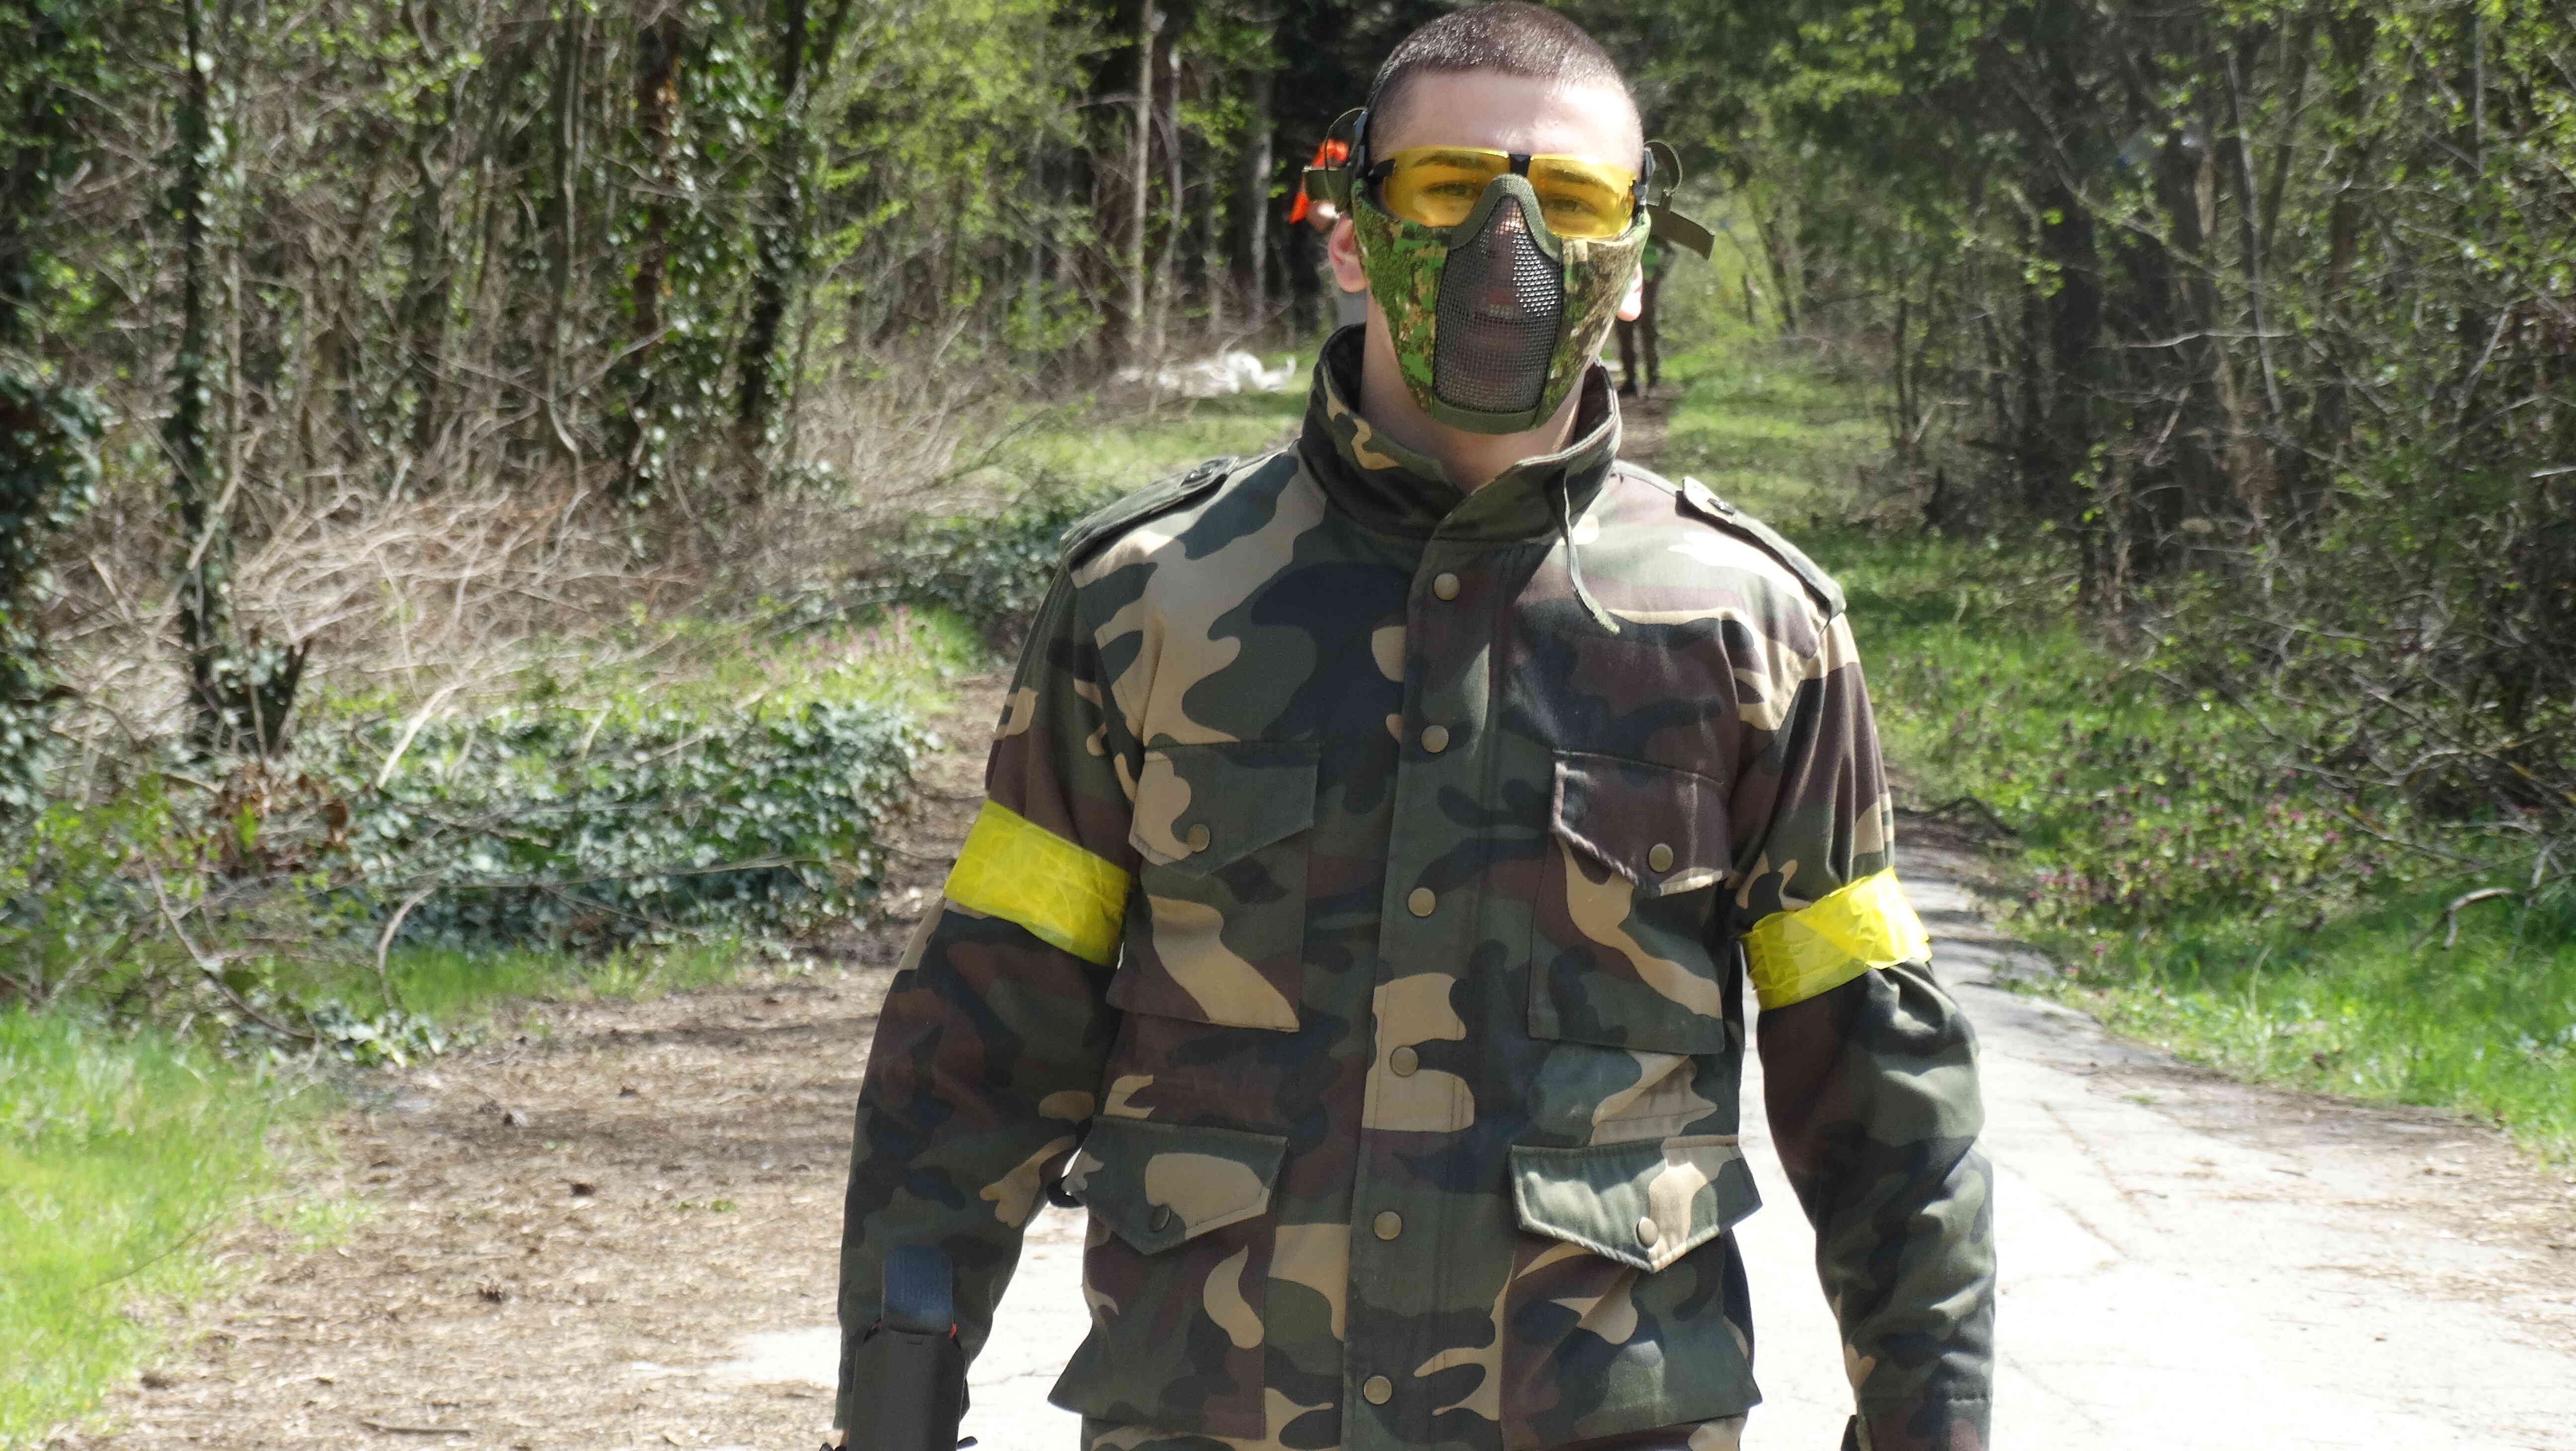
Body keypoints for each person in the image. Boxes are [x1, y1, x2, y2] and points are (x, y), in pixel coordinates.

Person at [830, 7, 1996, 1451]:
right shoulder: (1150, 595)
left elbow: (1880, 1081)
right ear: (1349, 232)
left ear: (1635, 260)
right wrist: (894, 1401)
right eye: (1449, 188)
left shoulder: (1752, 628)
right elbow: (981, 1040)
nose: (1511, 241)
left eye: (1571, 200)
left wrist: (1933, 1422)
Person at [1290, 133, 1371, 332]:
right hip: (1313, 244)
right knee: (1319, 296)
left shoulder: (1323, 176)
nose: (1340, 165)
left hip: (1319, 244)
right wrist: (1346, 218)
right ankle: (1313, 334)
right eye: (1337, 161)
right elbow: (1317, 214)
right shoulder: (1318, 179)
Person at [1614, 237, 1668, 397]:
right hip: (1626, 290)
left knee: (1649, 338)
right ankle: (1631, 382)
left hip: (1648, 293)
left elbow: (1670, 253)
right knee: (1625, 338)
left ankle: (1653, 381)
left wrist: (1659, 273)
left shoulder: (1656, 235)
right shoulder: (1624, 232)